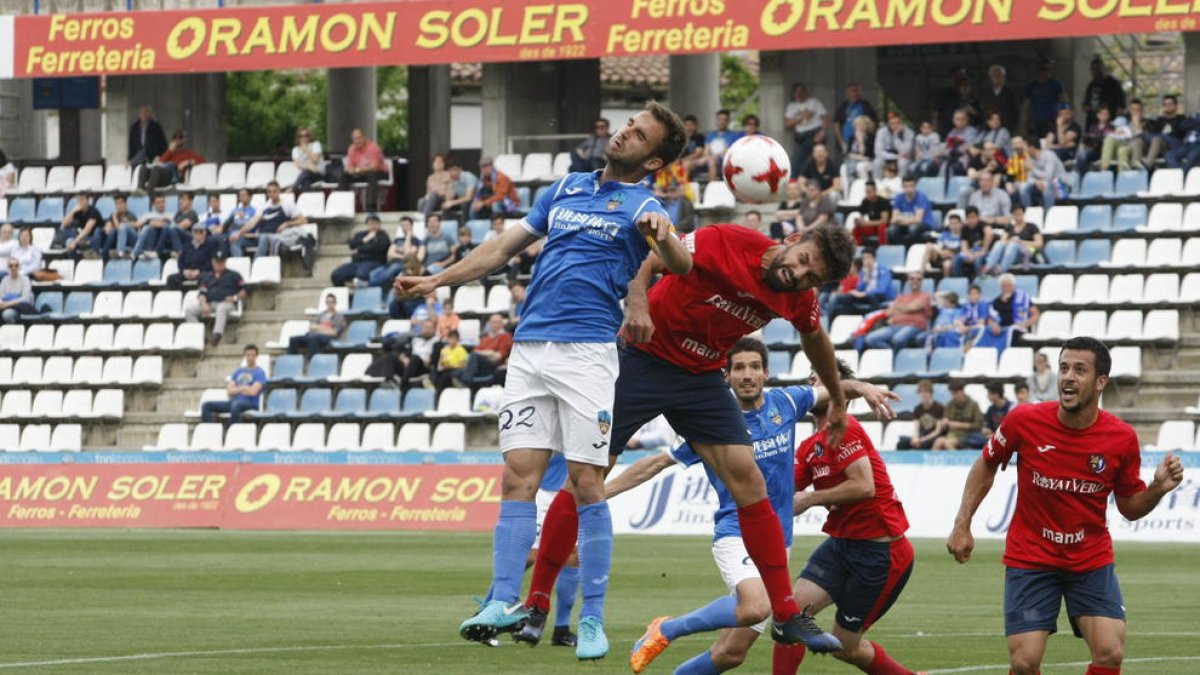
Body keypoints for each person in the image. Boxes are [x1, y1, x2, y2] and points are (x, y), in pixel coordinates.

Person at [395, 101, 694, 660]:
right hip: (530, 348)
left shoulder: (644, 205)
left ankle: (592, 619)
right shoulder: (565, 188)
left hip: (586, 353)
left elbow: (680, 267)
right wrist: (439, 278)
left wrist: (662, 234)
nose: (624, 133)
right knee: (517, 478)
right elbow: (502, 248)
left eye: (638, 134)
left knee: (585, 482)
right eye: (627, 125)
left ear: (653, 160)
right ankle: (503, 601)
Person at [522, 223, 859, 657]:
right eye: (804, 261)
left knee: (749, 482)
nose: (801, 275)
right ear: (794, 241)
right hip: (643, 357)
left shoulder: (798, 299)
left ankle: (786, 613)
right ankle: (536, 603)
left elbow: (817, 342)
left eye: (813, 277)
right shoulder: (726, 240)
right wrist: (637, 302)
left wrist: (837, 402)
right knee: (587, 479)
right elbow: (651, 257)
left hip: (701, 377)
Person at [608, 342, 895, 674]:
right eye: (739, 368)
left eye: (754, 367)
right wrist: (601, 492)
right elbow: (656, 463)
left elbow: (833, 388)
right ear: (726, 376)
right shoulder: (712, 423)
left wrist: (863, 387)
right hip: (737, 533)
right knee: (757, 606)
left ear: (766, 373)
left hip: (778, 541)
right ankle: (667, 629)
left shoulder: (786, 402)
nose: (748, 375)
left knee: (731, 653)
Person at [948, 337, 1185, 675]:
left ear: (1100, 382)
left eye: (1079, 370)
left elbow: (1130, 507)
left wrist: (1158, 489)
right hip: (1031, 556)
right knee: (1024, 662)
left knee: (1110, 652)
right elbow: (986, 463)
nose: (1067, 377)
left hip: (1089, 558)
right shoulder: (1024, 421)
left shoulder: (1121, 438)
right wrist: (962, 523)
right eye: (1063, 368)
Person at [775, 366, 917, 675]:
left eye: (819, 378)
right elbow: (781, 491)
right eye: (810, 378)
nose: (812, 383)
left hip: (881, 553)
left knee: (845, 646)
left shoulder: (847, 428)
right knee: (790, 618)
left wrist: (810, 499)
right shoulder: (809, 446)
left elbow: (864, 486)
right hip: (842, 545)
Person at [184, 251, 246, 346]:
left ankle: (217, 335)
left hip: (227, 303)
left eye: (221, 261)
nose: (219, 264)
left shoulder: (234, 275)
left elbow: (244, 290)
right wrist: (203, 304)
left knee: (221, 307)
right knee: (189, 310)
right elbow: (202, 293)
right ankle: (200, 336)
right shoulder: (206, 276)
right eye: (217, 261)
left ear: (225, 262)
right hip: (210, 303)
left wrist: (234, 297)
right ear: (213, 262)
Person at [862, 271, 932, 351]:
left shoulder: (925, 296)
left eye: (918, 279)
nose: (915, 281)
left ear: (922, 282)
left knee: (898, 339)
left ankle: (896, 358)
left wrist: (898, 308)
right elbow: (889, 312)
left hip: (913, 326)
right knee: (870, 339)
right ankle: (892, 354)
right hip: (895, 325)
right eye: (912, 279)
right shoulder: (901, 296)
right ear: (908, 281)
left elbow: (912, 308)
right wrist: (904, 309)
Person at [239, 181, 308, 259]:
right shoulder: (264, 206)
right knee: (237, 241)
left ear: (279, 191)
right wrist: (238, 232)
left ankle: (255, 265)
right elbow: (252, 223)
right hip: (261, 236)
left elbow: (303, 220)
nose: (272, 194)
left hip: (278, 237)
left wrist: (287, 223)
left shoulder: (287, 205)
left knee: (265, 237)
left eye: (274, 191)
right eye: (269, 192)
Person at [201, 345, 267, 424]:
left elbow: (253, 392)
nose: (250, 358)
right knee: (206, 406)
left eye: (252, 355)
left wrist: (237, 389)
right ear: (245, 356)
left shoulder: (259, 373)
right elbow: (229, 391)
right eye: (248, 355)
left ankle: (233, 430)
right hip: (233, 402)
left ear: (256, 356)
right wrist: (244, 388)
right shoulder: (238, 371)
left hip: (251, 404)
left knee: (236, 406)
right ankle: (212, 429)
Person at [828, 248, 893, 318]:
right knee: (847, 298)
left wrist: (865, 293)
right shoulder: (863, 271)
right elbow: (860, 288)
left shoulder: (883, 270)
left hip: (881, 296)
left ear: (875, 258)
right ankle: (847, 320)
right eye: (864, 258)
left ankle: (874, 321)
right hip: (866, 295)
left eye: (868, 257)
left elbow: (881, 290)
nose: (866, 260)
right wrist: (864, 281)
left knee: (872, 297)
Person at [981, 204, 1042, 276]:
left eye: (1020, 214)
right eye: (1016, 214)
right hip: (1009, 253)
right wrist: (1011, 241)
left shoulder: (1032, 226)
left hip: (1025, 252)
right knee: (999, 243)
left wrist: (1020, 242)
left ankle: (1001, 270)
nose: (1018, 217)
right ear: (1012, 215)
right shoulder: (1009, 227)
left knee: (1014, 245)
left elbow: (1039, 243)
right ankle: (988, 267)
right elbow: (1003, 240)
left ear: (1024, 214)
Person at [983, 273, 1039, 349]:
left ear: (1014, 286)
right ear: (1000, 287)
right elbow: (990, 318)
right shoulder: (995, 302)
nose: (1006, 288)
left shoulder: (1022, 298)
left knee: (1013, 332)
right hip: (1001, 329)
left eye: (1009, 285)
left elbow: (1036, 314)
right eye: (1004, 286)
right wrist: (993, 324)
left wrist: (1026, 323)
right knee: (986, 331)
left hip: (1018, 328)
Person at [331, 214, 390, 287]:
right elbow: (352, 244)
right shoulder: (361, 234)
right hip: (356, 262)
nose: (373, 225)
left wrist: (360, 248)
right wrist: (365, 240)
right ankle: (345, 294)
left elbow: (378, 248)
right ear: (367, 224)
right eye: (370, 223)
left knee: (361, 274)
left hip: (373, 262)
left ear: (379, 224)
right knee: (336, 275)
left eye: (375, 223)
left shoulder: (383, 235)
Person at [337, 128, 388, 209]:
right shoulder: (351, 148)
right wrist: (349, 169)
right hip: (362, 173)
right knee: (344, 175)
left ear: (364, 137)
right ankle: (343, 206)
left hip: (379, 172)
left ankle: (371, 207)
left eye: (359, 138)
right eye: (355, 138)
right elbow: (349, 165)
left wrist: (356, 170)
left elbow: (374, 167)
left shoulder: (373, 147)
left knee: (372, 175)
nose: (357, 141)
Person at [785, 82, 829, 177]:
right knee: (797, 163)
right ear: (793, 94)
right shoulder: (792, 106)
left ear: (806, 92)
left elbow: (825, 117)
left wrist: (822, 132)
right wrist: (802, 118)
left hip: (815, 133)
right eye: (797, 91)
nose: (799, 94)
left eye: (801, 91)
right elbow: (787, 124)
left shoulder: (814, 102)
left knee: (809, 161)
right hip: (801, 136)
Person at [460, 313, 514, 386]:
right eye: (493, 322)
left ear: (502, 324)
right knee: (454, 371)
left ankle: (467, 382)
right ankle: (468, 382)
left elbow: (497, 357)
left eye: (497, 322)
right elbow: (475, 351)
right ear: (489, 323)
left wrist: (482, 353)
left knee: (474, 357)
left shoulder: (506, 336)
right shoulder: (485, 337)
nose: (495, 324)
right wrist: (490, 352)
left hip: (493, 366)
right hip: (480, 365)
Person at [369, 216, 424, 287]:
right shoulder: (397, 240)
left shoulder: (417, 242)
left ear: (411, 226)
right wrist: (402, 256)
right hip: (391, 264)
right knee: (373, 273)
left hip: (404, 265)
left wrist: (408, 237)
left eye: (406, 225)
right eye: (402, 225)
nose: (404, 227)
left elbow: (409, 256)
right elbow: (390, 254)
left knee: (392, 270)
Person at [1018, 136, 1071, 209]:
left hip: (1061, 184)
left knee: (1047, 188)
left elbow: (1048, 177)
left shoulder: (1049, 155)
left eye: (1024, 147)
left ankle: (1047, 216)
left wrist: (1032, 169)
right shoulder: (1029, 158)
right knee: (1024, 190)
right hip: (1041, 183)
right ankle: (1029, 214)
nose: (1023, 150)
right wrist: (1036, 182)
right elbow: (1029, 177)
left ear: (1031, 147)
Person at [931, 380, 984, 450]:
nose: (954, 396)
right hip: (951, 435)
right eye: (952, 394)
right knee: (938, 442)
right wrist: (944, 423)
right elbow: (944, 426)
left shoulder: (973, 405)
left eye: (956, 393)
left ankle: (958, 461)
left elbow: (978, 425)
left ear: (962, 391)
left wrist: (960, 425)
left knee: (948, 443)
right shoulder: (950, 405)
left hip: (967, 436)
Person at [1138, 94, 1188, 168]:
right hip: (1160, 146)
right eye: (1165, 104)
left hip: (1174, 146)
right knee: (1151, 138)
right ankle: (1138, 165)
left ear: (1176, 106)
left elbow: (1178, 131)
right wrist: (1159, 117)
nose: (1168, 106)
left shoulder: (1181, 118)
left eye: (1170, 104)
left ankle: (1147, 165)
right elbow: (1151, 130)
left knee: (1157, 138)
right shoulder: (1160, 120)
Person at [288, 293, 345, 358]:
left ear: (335, 303)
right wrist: (326, 328)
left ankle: (312, 360)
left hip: (328, 338)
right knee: (293, 339)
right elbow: (312, 327)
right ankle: (293, 360)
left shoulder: (339, 317)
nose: (329, 304)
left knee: (313, 337)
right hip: (313, 335)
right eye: (327, 302)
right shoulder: (321, 315)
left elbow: (334, 332)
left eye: (331, 302)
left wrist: (319, 329)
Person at [1023, 58, 1067, 138]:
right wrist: (1024, 124)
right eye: (1042, 69)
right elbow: (1025, 107)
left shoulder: (1056, 85)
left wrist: (1062, 121)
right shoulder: (1031, 86)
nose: (1045, 72)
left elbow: (1065, 103)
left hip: (1051, 121)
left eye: (1047, 69)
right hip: (1035, 121)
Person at [833, 82, 878, 158]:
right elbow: (836, 123)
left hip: (863, 140)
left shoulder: (865, 105)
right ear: (847, 93)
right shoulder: (844, 106)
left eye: (856, 90)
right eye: (852, 91)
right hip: (846, 139)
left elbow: (874, 121)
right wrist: (840, 140)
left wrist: (870, 137)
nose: (855, 93)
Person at [897, 379, 945, 450]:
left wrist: (923, 439)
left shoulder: (939, 407)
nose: (923, 394)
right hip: (921, 435)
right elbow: (916, 428)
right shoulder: (917, 408)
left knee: (921, 445)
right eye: (921, 392)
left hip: (933, 437)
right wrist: (916, 438)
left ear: (931, 393)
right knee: (902, 443)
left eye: (926, 392)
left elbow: (937, 431)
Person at [889, 176, 936, 247]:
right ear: (902, 187)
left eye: (911, 186)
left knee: (913, 228)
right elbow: (893, 219)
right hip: (907, 225)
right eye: (906, 186)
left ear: (916, 186)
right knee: (892, 230)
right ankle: (900, 252)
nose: (908, 189)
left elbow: (918, 220)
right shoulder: (899, 197)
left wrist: (901, 218)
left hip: (924, 224)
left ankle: (913, 251)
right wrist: (910, 220)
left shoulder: (921, 197)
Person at [166, 224, 217, 289]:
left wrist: (199, 271)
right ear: (192, 233)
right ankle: (178, 297)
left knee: (205, 277)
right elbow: (180, 261)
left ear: (205, 233)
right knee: (171, 278)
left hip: (202, 272)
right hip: (187, 272)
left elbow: (211, 262)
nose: (198, 234)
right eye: (195, 231)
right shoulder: (186, 246)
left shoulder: (210, 246)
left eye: (201, 231)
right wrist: (184, 271)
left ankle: (202, 296)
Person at [1082, 57, 1126, 128]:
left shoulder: (1113, 84)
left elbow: (1120, 106)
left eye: (1098, 68)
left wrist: (1115, 123)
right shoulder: (1091, 85)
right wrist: (1085, 107)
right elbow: (1086, 104)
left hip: (1109, 123)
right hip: (1093, 124)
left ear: (1103, 68)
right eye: (1093, 69)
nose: (1096, 71)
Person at [57, 191, 103, 256]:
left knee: (72, 241)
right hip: (81, 236)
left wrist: (75, 241)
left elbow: (87, 230)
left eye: (82, 199)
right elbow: (63, 225)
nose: (80, 202)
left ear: (87, 200)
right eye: (78, 200)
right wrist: (73, 211)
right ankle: (63, 245)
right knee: (64, 231)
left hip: (92, 238)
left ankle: (71, 244)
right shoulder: (78, 211)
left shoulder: (94, 212)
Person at [130, 194, 174, 260]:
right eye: (158, 202)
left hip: (162, 241)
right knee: (147, 228)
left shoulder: (171, 215)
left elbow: (171, 228)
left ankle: (136, 252)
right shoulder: (148, 215)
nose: (161, 204)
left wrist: (153, 223)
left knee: (149, 227)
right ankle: (142, 252)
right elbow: (138, 224)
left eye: (163, 202)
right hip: (149, 239)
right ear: (154, 204)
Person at [979, 64, 1021, 131]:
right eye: (994, 75)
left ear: (1003, 77)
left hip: (1006, 127)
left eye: (998, 75)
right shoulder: (985, 93)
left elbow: (1016, 112)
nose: (996, 77)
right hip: (989, 128)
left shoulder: (1010, 93)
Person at [704, 109, 744, 180]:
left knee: (711, 161)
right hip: (710, 159)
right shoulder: (710, 135)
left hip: (724, 161)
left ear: (728, 121)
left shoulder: (734, 135)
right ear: (716, 120)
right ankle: (685, 188)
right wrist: (706, 156)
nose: (721, 122)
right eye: (719, 119)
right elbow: (706, 150)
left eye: (724, 120)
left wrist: (713, 156)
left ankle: (711, 186)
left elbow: (728, 150)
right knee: (687, 163)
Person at [873, 113, 914, 180]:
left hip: (903, 158)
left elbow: (905, 151)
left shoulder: (909, 132)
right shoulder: (882, 131)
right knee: (877, 162)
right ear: (888, 123)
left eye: (898, 123)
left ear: (902, 123)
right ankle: (878, 184)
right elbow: (878, 152)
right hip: (888, 156)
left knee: (903, 162)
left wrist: (896, 136)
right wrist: (895, 156)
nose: (895, 125)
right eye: (892, 123)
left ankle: (901, 183)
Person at [952, 207, 990, 278]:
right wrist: (969, 254)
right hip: (971, 252)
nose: (971, 220)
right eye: (968, 217)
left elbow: (989, 233)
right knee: (956, 258)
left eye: (973, 217)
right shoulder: (965, 228)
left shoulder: (982, 225)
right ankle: (960, 280)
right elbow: (964, 247)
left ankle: (978, 280)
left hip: (983, 252)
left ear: (978, 217)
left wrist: (983, 250)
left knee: (978, 260)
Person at [159, 191, 199, 257]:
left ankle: (179, 252)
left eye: (184, 199)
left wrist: (171, 225)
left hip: (189, 237)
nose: (181, 201)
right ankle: (158, 251)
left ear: (190, 202)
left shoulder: (192, 213)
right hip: (177, 236)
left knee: (173, 228)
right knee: (165, 227)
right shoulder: (179, 213)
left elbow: (182, 226)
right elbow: (172, 224)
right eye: (180, 199)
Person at [924, 212, 965, 277]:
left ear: (961, 224)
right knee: (929, 245)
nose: (954, 226)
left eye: (956, 223)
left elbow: (963, 252)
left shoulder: (963, 236)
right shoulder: (944, 234)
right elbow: (939, 247)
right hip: (941, 256)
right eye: (951, 223)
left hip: (953, 259)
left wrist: (951, 254)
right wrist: (941, 253)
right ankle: (922, 272)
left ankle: (946, 282)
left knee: (947, 264)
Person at [98, 195, 136, 260]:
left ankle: (106, 255)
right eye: (117, 203)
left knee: (115, 230)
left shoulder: (130, 215)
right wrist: (108, 227)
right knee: (98, 230)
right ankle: (97, 252)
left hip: (128, 240)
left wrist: (114, 217)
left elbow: (120, 229)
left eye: (121, 203)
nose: (119, 205)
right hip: (115, 240)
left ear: (125, 204)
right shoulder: (113, 215)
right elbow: (108, 228)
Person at [853, 181, 890, 247]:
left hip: (883, 226)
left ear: (875, 191)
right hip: (872, 227)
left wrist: (867, 223)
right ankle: (857, 248)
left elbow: (884, 221)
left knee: (881, 228)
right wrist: (859, 222)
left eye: (869, 191)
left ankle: (883, 248)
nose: (867, 194)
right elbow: (861, 217)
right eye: (866, 192)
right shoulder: (865, 201)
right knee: (856, 229)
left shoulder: (883, 201)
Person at [841, 115, 876, 183]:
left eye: (862, 125)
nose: (860, 127)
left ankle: (865, 186)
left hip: (868, 161)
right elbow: (848, 153)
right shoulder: (852, 137)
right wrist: (859, 157)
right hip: (854, 160)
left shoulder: (871, 137)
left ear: (867, 126)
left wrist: (861, 141)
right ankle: (848, 190)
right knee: (843, 168)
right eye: (858, 125)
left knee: (860, 167)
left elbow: (868, 153)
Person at [290, 127, 325, 193]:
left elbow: (315, 160)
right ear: (298, 138)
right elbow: (298, 165)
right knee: (306, 179)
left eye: (306, 135)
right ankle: (306, 198)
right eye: (301, 136)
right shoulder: (295, 149)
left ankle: (293, 189)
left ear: (310, 137)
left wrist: (306, 150)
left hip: (318, 173)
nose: (304, 138)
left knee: (306, 173)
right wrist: (309, 166)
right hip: (306, 174)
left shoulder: (316, 145)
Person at [0, 257, 35, 323]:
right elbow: (1, 296)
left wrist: (7, 304)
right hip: (5, 305)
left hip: (20, 307)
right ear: (8, 268)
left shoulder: (25, 279)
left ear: (19, 267)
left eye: (16, 265)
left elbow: (25, 298)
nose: (13, 268)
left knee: (7, 314)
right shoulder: (4, 280)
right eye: (11, 266)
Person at [978, 382, 1011, 447]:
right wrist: (986, 430)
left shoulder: (1010, 408)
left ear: (996, 394)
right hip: (992, 438)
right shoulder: (990, 409)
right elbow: (988, 426)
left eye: (989, 393)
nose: (987, 396)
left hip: (1006, 439)